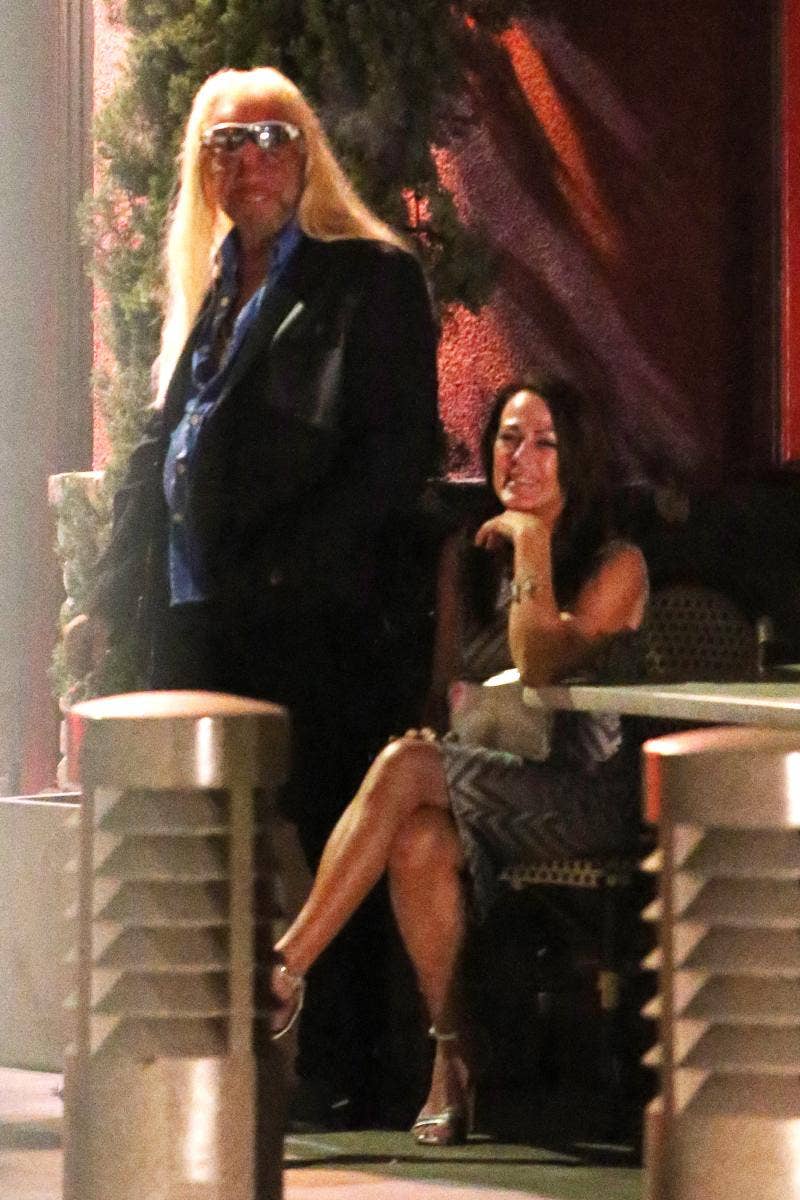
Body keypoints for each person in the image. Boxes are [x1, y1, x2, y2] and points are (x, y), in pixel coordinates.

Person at [76, 66, 440, 1123]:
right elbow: (158, 454)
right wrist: (106, 593)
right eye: (227, 141)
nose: (252, 160)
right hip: (196, 612)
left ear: (308, 155)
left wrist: (286, 568)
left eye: (275, 137)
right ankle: (197, 1055)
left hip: (315, 616)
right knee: (195, 847)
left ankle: (354, 1076)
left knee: (328, 825)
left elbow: (392, 459)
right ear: (204, 167)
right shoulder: (208, 286)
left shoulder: (365, 279)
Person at [269, 376, 649, 1144]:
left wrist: (532, 543)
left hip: (584, 794)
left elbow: (540, 661)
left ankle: (282, 972)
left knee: (406, 767)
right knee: (418, 836)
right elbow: (443, 692)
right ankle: (451, 1059)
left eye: (545, 443)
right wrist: (445, 735)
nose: (522, 457)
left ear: (577, 459)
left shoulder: (617, 566)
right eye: (509, 438)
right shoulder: (465, 559)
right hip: (486, 777)